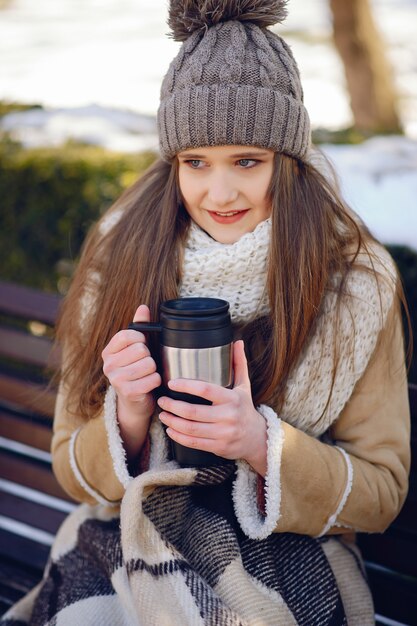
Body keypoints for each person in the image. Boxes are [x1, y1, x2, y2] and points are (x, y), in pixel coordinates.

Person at [2, 1, 410, 625]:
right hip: (125, 534)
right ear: (174, 163)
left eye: (247, 161)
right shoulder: (121, 258)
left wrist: (262, 445)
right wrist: (129, 419)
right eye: (195, 162)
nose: (218, 194)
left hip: (287, 556)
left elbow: (381, 491)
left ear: (288, 161)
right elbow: (72, 470)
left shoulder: (352, 285)